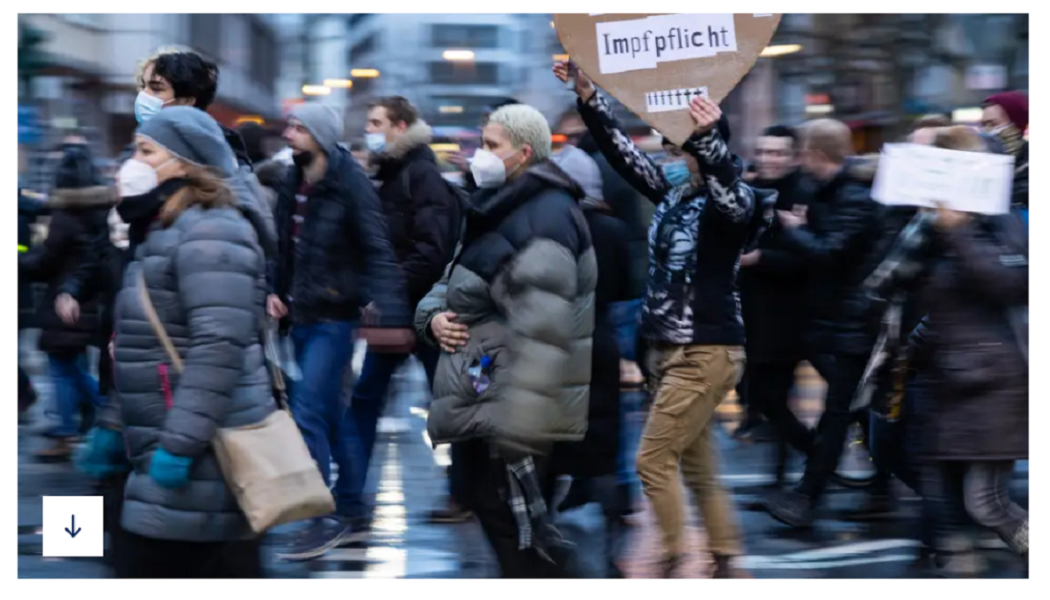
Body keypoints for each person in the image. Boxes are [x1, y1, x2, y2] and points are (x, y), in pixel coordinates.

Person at [556, 61, 754, 578]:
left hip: (705, 350)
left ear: (700, 153)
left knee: (651, 462)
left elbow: (730, 195)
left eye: (673, 148)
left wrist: (708, 138)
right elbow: (624, 159)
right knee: (695, 464)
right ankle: (726, 557)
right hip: (667, 350)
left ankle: (670, 559)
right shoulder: (673, 197)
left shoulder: (732, 202)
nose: (664, 156)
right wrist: (590, 99)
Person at [415, 103, 596, 578]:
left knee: (517, 524)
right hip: (486, 384)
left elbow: (544, 335)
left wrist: (521, 431)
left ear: (524, 152)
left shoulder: (545, 216)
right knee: (495, 508)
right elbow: (452, 281)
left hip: (514, 407)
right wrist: (432, 319)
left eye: (491, 145)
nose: (479, 155)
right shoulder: (497, 206)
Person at [100, 107, 273, 577]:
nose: (131, 163)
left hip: (202, 453)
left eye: (145, 151)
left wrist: (178, 446)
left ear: (183, 161)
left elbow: (218, 348)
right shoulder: (164, 227)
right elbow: (146, 342)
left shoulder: (212, 230)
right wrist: (112, 426)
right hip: (158, 445)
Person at [270, 102, 412, 560]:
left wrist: (389, 313)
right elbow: (283, 247)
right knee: (332, 416)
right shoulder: (293, 178)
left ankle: (320, 517)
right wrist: (275, 290)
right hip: (300, 316)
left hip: (335, 316)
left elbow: (377, 248)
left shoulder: (349, 183)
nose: (289, 134)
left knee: (309, 411)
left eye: (299, 127)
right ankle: (351, 508)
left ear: (321, 135)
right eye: (289, 126)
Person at [762, 119, 888, 528]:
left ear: (816, 154)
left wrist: (796, 231)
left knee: (842, 411)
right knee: (852, 409)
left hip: (853, 322)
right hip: (834, 321)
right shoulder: (829, 191)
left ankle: (808, 494)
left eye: (801, 154)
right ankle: (875, 484)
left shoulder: (854, 197)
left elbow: (830, 253)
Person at [341, 96, 461, 523]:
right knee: (368, 398)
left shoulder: (421, 175)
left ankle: (463, 495)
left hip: (425, 311)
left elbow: (431, 250)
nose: (370, 130)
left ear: (400, 126)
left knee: (446, 403)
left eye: (376, 123)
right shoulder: (392, 174)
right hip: (398, 309)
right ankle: (350, 494)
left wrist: (390, 288)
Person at [545, 146, 632, 577]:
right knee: (601, 438)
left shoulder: (550, 228)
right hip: (600, 342)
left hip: (555, 344)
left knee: (548, 437)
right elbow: (623, 288)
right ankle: (612, 536)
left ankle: (541, 528)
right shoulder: (612, 229)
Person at [19, 142, 114, 461]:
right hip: (89, 299)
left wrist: (18, 261)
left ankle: (68, 431)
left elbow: (44, 261)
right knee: (71, 366)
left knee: (61, 367)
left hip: (66, 299)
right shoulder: (101, 209)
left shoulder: (64, 217)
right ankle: (96, 419)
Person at [736, 125, 815, 475]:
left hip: (788, 314)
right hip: (751, 310)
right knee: (765, 395)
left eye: (778, 152)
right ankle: (786, 471)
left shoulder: (804, 194)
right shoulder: (750, 192)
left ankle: (814, 453)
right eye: (765, 151)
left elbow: (815, 258)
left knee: (772, 396)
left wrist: (760, 259)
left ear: (794, 156)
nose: (769, 159)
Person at [981, 92, 1028, 222]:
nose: (986, 131)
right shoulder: (980, 162)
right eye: (984, 125)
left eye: (994, 124)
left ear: (1014, 124)